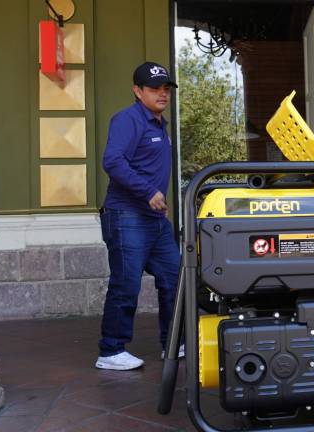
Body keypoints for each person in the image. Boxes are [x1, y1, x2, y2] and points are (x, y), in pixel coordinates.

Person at [95, 62, 182, 371]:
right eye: (154, 88)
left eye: (165, 89)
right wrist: (148, 191)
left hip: (154, 220)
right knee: (126, 283)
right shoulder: (128, 119)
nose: (162, 94)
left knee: (174, 279)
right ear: (137, 91)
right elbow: (113, 161)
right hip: (126, 215)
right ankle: (111, 350)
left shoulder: (160, 125)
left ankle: (174, 343)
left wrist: (156, 199)